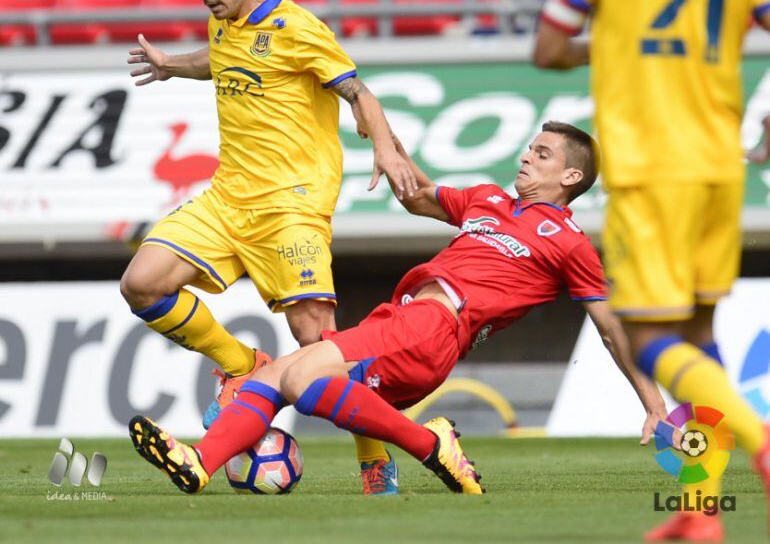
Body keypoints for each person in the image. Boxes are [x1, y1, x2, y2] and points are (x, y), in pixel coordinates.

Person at [127, 121, 672, 496]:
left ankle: (424, 444)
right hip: (404, 321)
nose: (527, 156)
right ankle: (199, 465)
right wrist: (386, 145)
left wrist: (652, 403)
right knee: (279, 378)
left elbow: (608, 328)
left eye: (543, 153)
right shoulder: (487, 200)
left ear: (570, 178)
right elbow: (418, 197)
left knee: (297, 375)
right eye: (530, 148)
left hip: (438, 326)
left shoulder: (570, 242)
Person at [119, 0, 417, 495]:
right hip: (229, 198)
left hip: (292, 207)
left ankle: (375, 459)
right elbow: (220, 61)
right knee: (142, 283)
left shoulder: (297, 28)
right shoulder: (223, 23)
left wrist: (384, 145)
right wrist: (169, 67)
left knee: (319, 347)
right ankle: (242, 365)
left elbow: (359, 91)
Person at [533, 0, 770, 539]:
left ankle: (762, 443)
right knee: (700, 340)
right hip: (722, 165)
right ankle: (701, 509)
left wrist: (612, 47)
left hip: (651, 166)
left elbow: (549, 48)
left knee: (644, 339)